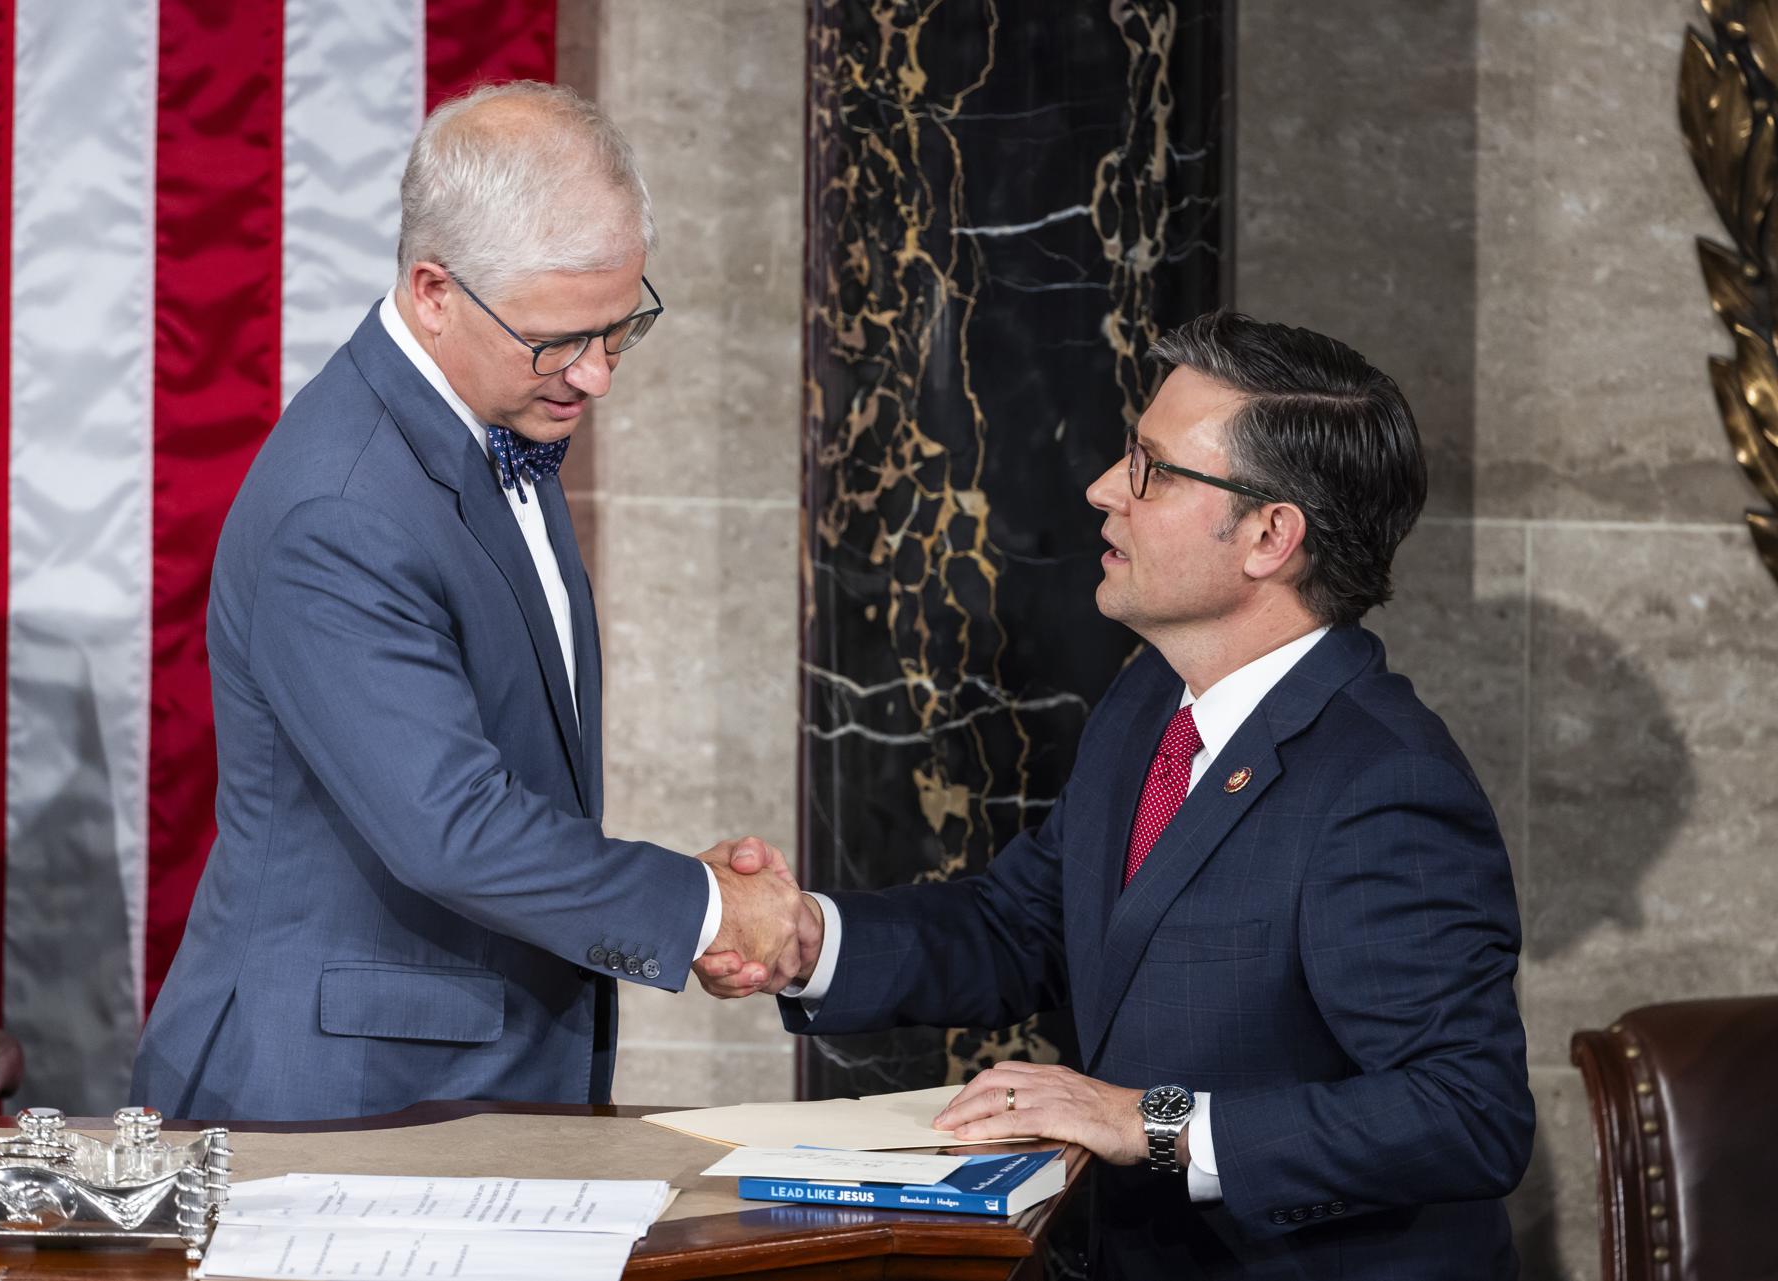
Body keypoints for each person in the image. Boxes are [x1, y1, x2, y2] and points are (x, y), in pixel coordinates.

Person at [701, 313, 1535, 1279]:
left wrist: (1149, 1119)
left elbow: (1469, 1113)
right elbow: (1027, 924)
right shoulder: (1150, 697)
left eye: (1153, 469)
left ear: (1271, 534)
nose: (1104, 488)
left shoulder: (1386, 781)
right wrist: (812, 939)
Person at [132, 82, 804, 1122]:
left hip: (459, 1080)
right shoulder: (343, 506)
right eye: (559, 340)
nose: (597, 378)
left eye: (620, 330)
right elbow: (451, 826)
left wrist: (678, 894)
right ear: (435, 290)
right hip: (342, 1101)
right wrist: (705, 908)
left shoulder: (496, 416)